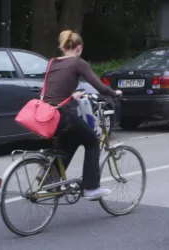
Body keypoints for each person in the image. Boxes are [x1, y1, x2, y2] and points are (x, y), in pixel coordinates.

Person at [42, 30, 121, 200]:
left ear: (62, 47)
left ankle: (50, 178)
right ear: (79, 48)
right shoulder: (78, 62)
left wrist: (72, 96)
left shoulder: (52, 62)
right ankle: (91, 188)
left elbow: (54, 91)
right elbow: (100, 87)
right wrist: (115, 93)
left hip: (48, 115)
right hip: (64, 115)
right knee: (92, 141)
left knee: (72, 141)